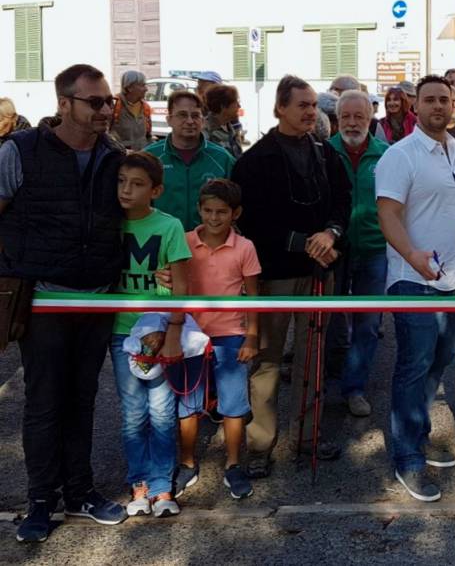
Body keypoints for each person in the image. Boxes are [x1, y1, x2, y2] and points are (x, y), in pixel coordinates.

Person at [1, 64, 128, 543]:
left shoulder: (113, 156)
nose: (104, 109)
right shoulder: (20, 151)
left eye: (108, 101)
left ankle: (80, 491)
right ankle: (39, 501)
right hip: (44, 303)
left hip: (97, 299)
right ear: (64, 104)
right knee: (44, 402)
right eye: (94, 102)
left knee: (83, 399)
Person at [231, 75, 351, 478]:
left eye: (313, 105)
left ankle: (308, 437)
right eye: (301, 105)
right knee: (266, 363)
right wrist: (303, 242)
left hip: (320, 271)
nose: (309, 112)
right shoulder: (254, 161)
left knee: (312, 360)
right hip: (275, 275)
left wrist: (331, 233)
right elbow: (252, 221)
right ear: (280, 108)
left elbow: (342, 200)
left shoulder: (325, 154)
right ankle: (261, 446)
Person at [376, 75, 455, 502]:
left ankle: (417, 434)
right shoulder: (400, 156)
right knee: (413, 366)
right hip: (414, 281)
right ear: (414, 106)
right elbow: (388, 216)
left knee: (439, 363)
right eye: (431, 100)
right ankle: (407, 458)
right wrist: (415, 255)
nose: (439, 106)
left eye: (446, 100)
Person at [110, 151, 191, 519]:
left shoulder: (170, 226)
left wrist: (174, 329)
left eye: (138, 184)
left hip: (158, 329)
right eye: (121, 181)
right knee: (132, 412)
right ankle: (138, 482)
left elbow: (182, 285)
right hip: (120, 331)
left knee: (162, 410)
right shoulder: (105, 223)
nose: (126, 190)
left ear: (155, 190)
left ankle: (162, 486)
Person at [178, 179, 261, 501]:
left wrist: (251, 337)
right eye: (208, 210)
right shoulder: (184, 242)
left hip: (231, 333)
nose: (214, 218)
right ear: (199, 209)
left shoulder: (245, 248)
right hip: (190, 333)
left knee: (233, 403)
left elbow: (253, 296)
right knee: (187, 402)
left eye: (222, 212)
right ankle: (186, 463)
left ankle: (234, 464)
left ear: (235, 213)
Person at [327, 90, 389, 417]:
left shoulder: (387, 154)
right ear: (338, 119)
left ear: (370, 118)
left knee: (368, 322)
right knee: (331, 319)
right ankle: (329, 376)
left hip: (375, 248)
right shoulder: (324, 152)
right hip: (334, 251)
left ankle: (355, 387)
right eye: (346, 117)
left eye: (359, 117)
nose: (352, 123)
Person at [144, 90, 236, 232]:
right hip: (162, 244)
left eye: (195, 116)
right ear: (169, 120)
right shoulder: (150, 157)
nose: (189, 121)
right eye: (182, 115)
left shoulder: (222, 158)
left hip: (208, 246)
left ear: (203, 121)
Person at [110, 70, 153, 151]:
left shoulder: (145, 107)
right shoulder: (114, 105)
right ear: (129, 88)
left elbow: (148, 136)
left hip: (142, 157)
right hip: (121, 158)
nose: (146, 89)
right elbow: (107, 135)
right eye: (142, 85)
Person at [203, 84, 244, 159]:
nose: (239, 106)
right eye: (236, 103)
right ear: (223, 106)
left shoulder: (231, 128)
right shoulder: (204, 131)